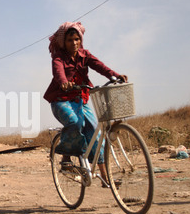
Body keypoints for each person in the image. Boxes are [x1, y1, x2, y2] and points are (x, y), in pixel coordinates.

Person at [43, 21, 127, 186]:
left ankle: (105, 177)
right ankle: (66, 160)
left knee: (95, 134)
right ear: (63, 42)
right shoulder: (58, 57)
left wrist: (115, 75)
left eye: (77, 39)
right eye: (70, 40)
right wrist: (64, 82)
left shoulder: (85, 55)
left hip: (81, 98)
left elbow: (100, 66)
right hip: (61, 100)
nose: (74, 43)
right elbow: (58, 71)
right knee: (75, 122)